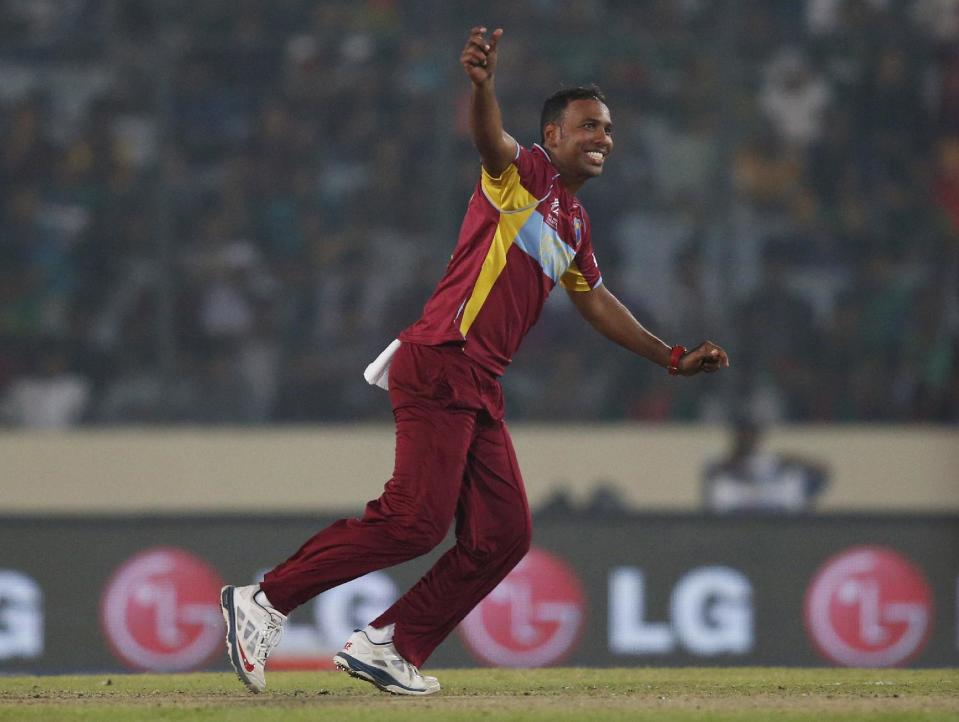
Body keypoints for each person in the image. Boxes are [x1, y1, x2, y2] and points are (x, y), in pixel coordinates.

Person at [220, 26, 729, 697]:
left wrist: (668, 356)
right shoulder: (525, 175)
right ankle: (263, 600)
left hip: (477, 381)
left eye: (607, 128)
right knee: (414, 523)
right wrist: (482, 87)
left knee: (504, 533)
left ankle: (391, 643)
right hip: (441, 362)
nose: (602, 138)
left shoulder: (573, 221)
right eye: (587, 126)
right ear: (551, 135)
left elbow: (595, 300)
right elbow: (490, 141)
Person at [703, 418, 829, 513]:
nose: (747, 441)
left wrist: (794, 459)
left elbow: (821, 472)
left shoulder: (772, 461)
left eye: (750, 436)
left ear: (757, 439)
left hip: (775, 518)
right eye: (742, 437)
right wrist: (736, 467)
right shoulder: (720, 467)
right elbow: (713, 491)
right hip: (737, 522)